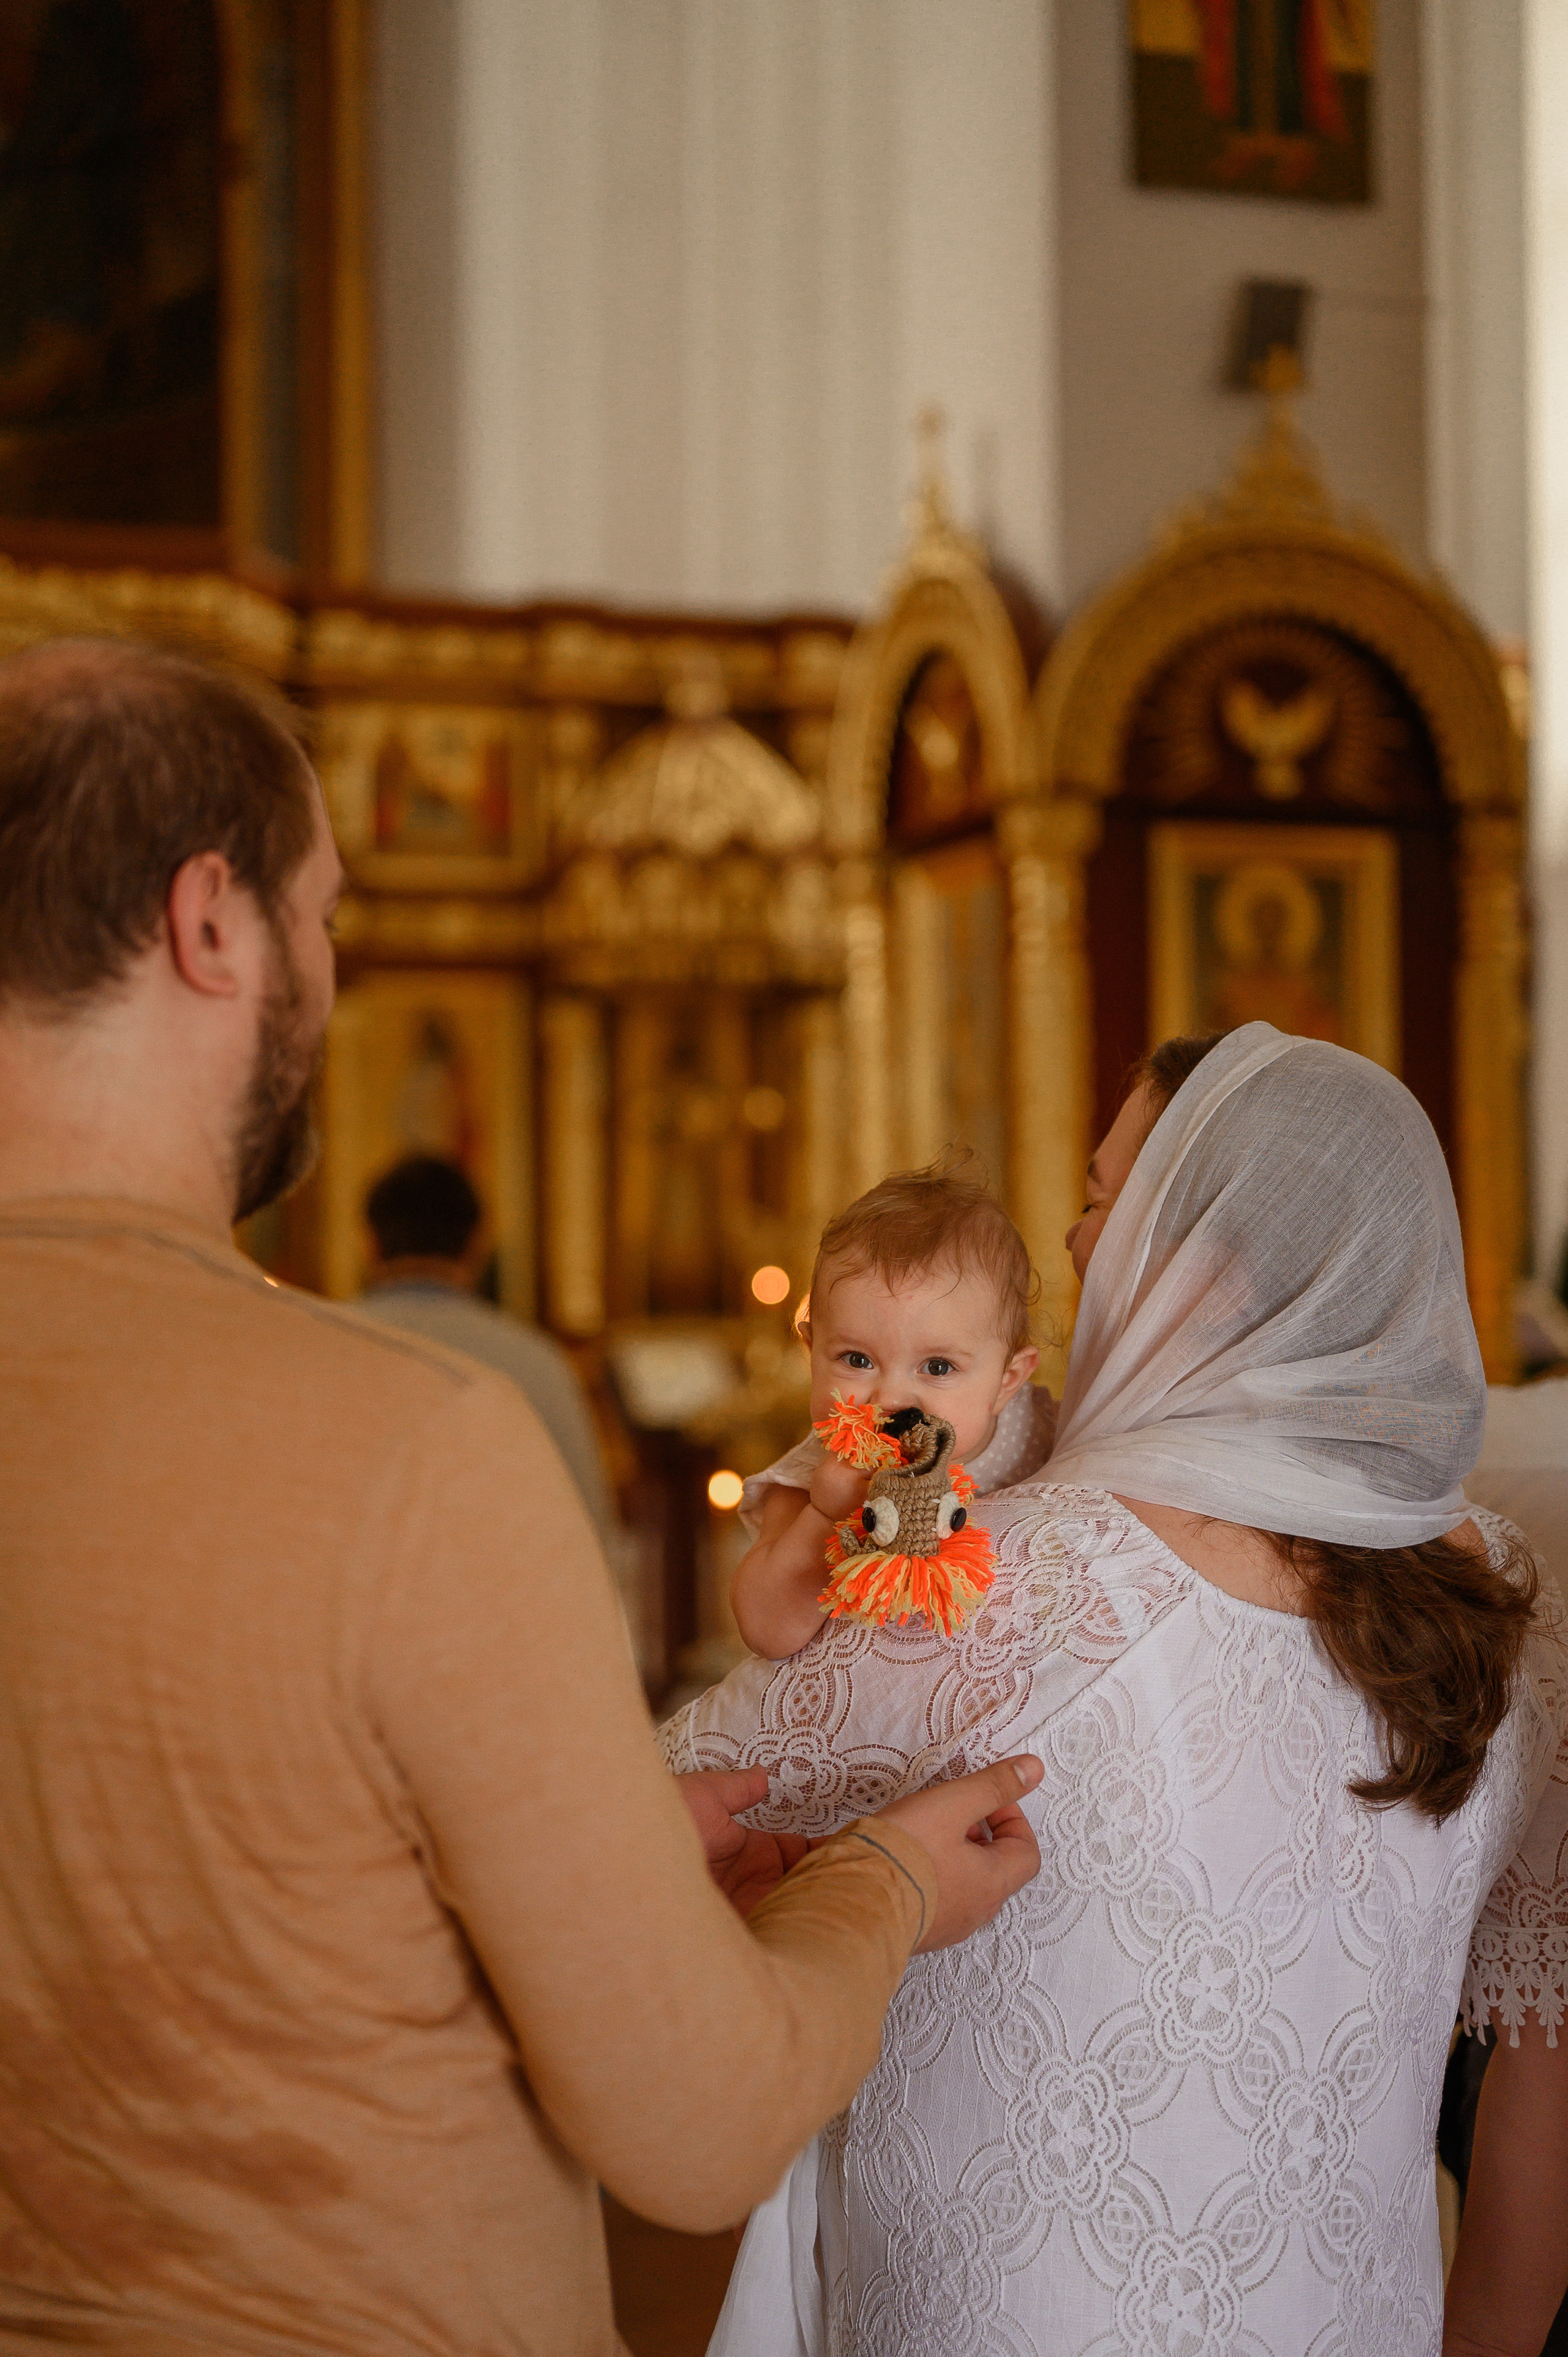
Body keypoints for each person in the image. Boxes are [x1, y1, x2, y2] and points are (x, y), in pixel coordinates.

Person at [0, 635, 1045, 2356]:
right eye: (323, 917)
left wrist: (602, 1851)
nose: (330, 973)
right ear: (212, 924)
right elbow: (696, 2124)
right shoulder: (405, 1444)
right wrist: (881, 1883)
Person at [665, 1021, 1568, 2357]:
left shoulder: (986, 1581)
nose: (1076, 1242)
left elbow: (625, 1837)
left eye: (1103, 1201)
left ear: (1195, 1263)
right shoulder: (1504, 1602)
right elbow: (1537, 2091)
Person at [731, 1156, 1056, 1659]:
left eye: (938, 1366)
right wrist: (825, 1514)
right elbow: (765, 1629)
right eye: (857, 1360)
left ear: (1007, 1380)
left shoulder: (1043, 1432)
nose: (889, 1400)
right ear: (811, 1350)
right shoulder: (815, 1473)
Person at [356, 1153, 623, 1545]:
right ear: (476, 1245)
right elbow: (589, 1533)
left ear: (371, 1243)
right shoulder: (535, 1362)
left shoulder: (321, 1349)